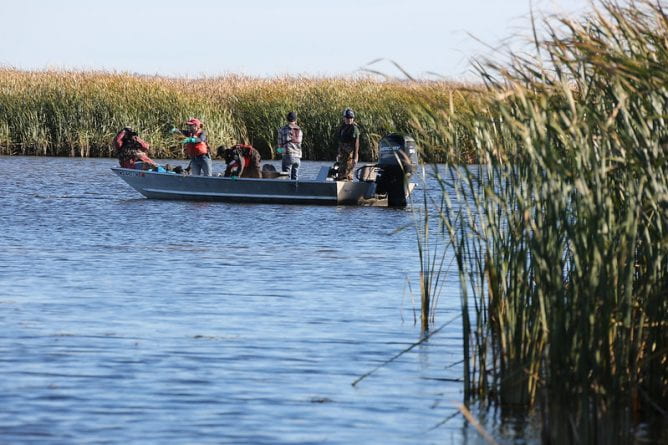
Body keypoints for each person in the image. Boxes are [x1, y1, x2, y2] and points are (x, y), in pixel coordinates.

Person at [276, 111, 303, 180]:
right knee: (295, 177)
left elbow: (280, 146)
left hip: (288, 156)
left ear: (287, 119)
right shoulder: (299, 131)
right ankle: (295, 190)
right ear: (295, 120)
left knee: (285, 177)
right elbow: (299, 144)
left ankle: (287, 191)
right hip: (297, 157)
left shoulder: (282, 130)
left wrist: (279, 151)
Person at [335, 108, 360, 181]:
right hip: (342, 154)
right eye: (347, 117)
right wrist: (338, 154)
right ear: (344, 118)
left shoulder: (354, 128)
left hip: (350, 155)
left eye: (351, 118)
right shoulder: (343, 127)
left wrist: (355, 158)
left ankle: (347, 185)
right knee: (341, 170)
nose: (349, 119)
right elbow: (340, 141)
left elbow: (356, 144)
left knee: (347, 172)